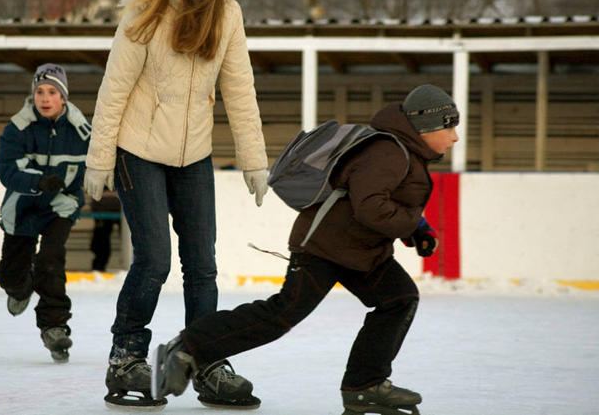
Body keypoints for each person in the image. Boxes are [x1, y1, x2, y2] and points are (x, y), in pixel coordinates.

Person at [152, 84, 461, 415]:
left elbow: (385, 202)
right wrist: (409, 225)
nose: (455, 136)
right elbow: (370, 206)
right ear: (425, 126)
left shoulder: (403, 154)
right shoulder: (389, 152)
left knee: (399, 299)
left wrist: (418, 229)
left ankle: (365, 386)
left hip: (361, 253)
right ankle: (187, 347)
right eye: (449, 126)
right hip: (325, 248)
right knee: (281, 314)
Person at [84, 0, 269, 409]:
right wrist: (100, 158)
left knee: (202, 265)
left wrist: (254, 159)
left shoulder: (227, 15)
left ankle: (206, 363)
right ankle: (126, 359)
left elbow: (240, 91)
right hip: (137, 151)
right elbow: (114, 87)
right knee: (154, 261)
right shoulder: (147, 8)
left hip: (194, 156)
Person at [0, 63, 91, 363]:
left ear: (63, 98)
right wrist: (37, 182)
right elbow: (6, 168)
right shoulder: (17, 128)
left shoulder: (81, 132)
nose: (45, 98)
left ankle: (54, 325)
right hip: (23, 205)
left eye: (52, 92)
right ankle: (21, 287)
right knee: (9, 273)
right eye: (39, 91)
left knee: (51, 259)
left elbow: (95, 166)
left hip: (60, 205)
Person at [88, 190, 120, 272]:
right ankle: (98, 265)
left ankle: (98, 265)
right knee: (102, 237)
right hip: (103, 201)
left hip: (108, 201)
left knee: (102, 236)